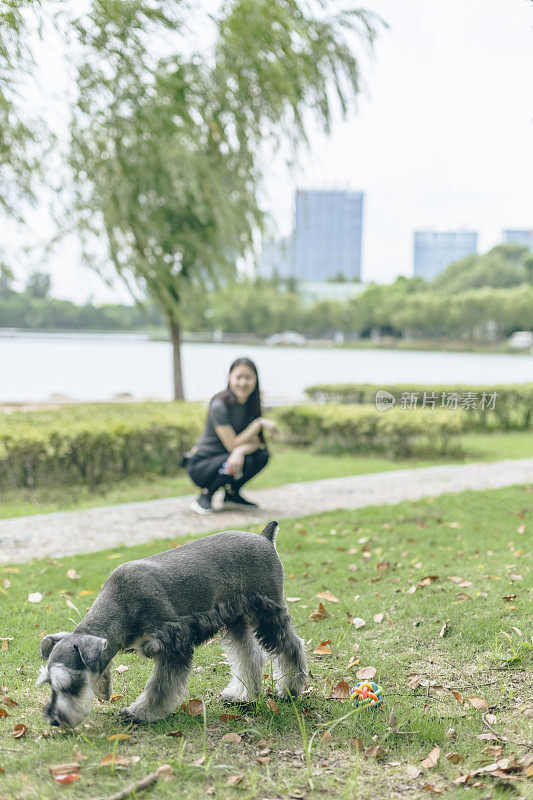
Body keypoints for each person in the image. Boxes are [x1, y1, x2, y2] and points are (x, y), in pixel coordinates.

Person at [186, 357, 277, 515]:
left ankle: (232, 494)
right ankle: (206, 494)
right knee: (235, 460)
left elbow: (256, 443)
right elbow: (232, 444)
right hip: (203, 465)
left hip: (227, 457)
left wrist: (239, 452)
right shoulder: (219, 405)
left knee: (261, 456)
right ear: (230, 378)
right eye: (239, 377)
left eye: (248, 377)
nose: (243, 382)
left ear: (255, 379)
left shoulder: (250, 404)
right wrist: (258, 424)